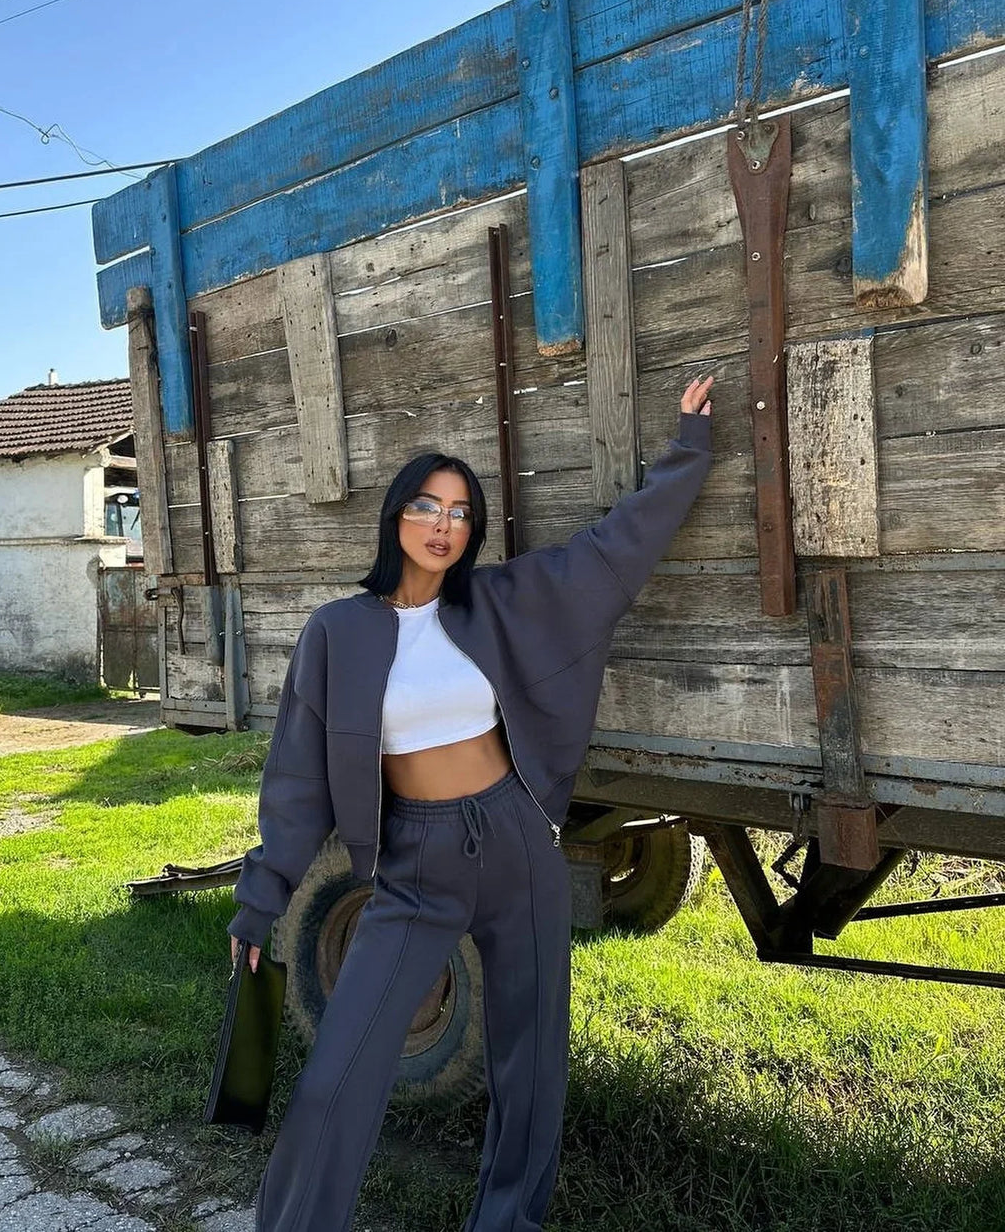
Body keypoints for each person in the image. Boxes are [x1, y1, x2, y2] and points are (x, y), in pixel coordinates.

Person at [228, 376, 714, 1231]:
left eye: (460, 512)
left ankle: (507, 1222)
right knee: (340, 1069)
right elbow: (299, 780)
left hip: (519, 840)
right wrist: (261, 901)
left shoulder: (494, 604)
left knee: (530, 1066)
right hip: (415, 861)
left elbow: (611, 553)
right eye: (427, 505)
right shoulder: (338, 630)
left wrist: (687, 451)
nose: (444, 524)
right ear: (395, 518)